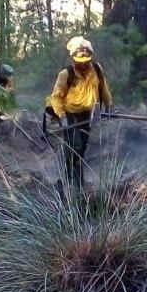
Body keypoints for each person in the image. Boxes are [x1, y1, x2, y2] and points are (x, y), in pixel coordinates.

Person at [49, 36, 112, 189]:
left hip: (87, 115)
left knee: (82, 147)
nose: (83, 64)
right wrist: (62, 117)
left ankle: (78, 181)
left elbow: (103, 88)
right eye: (80, 61)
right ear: (73, 58)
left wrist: (108, 106)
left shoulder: (96, 69)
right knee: (74, 147)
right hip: (70, 116)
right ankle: (71, 182)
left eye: (86, 61)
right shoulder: (66, 74)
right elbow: (56, 97)